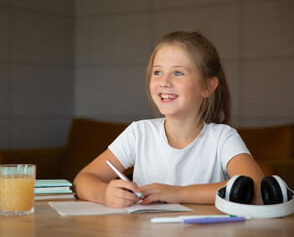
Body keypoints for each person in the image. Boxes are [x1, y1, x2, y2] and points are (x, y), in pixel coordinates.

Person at [74, 31, 264, 208]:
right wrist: (104, 194)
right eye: (158, 72)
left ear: (208, 86)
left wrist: (179, 193)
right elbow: (83, 179)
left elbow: (255, 186)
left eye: (178, 73)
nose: (164, 82)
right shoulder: (139, 133)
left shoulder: (223, 138)